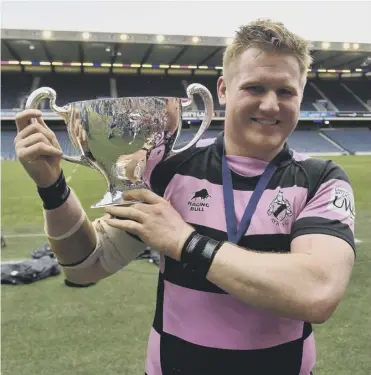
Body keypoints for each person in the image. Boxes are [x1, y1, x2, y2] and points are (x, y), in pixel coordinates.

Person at [14, 19, 356, 375]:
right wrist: (52, 188)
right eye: (254, 88)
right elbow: (85, 266)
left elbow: (317, 292)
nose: (270, 105)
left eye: (285, 92)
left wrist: (186, 242)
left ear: (301, 94)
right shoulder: (166, 171)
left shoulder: (323, 179)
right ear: (223, 89)